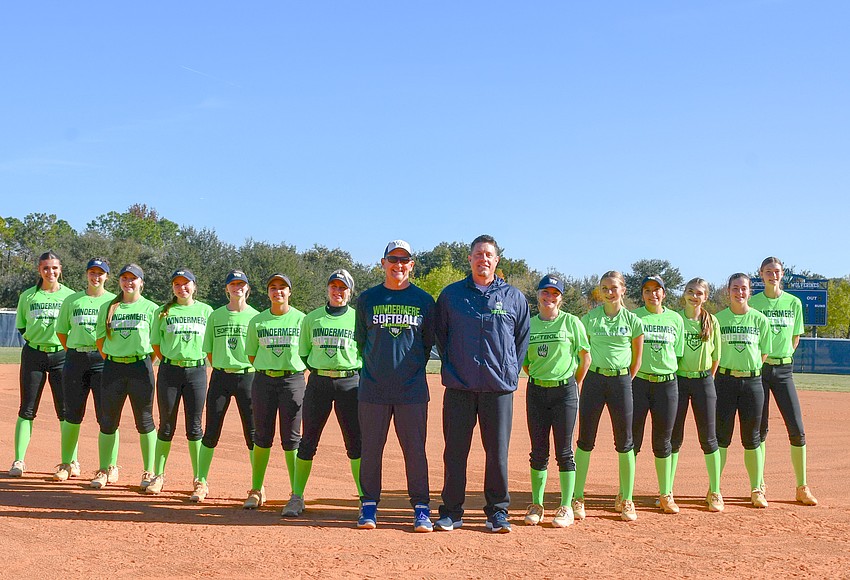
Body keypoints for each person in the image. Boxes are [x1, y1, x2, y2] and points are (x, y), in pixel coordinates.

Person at [434, 234, 530, 534]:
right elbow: (441, 336)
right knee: (454, 452)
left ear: (496, 260)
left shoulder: (513, 297)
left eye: (488, 254)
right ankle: (451, 511)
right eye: (478, 254)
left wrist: (508, 371)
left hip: (498, 388)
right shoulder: (451, 296)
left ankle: (497, 512)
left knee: (497, 453)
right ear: (470, 259)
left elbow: (520, 340)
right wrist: (454, 368)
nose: (483, 259)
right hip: (459, 388)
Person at [354, 241, 436, 532]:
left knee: (415, 450)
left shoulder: (425, 301)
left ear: (412, 265)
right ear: (383, 263)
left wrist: (409, 369)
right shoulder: (367, 299)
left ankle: (421, 507)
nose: (398, 265)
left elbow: (426, 344)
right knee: (372, 449)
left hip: (411, 390)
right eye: (393, 259)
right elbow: (362, 340)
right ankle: (369, 505)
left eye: (404, 260)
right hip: (373, 389)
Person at [284, 269, 362, 518]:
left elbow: (365, 351)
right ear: (327, 289)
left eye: (343, 288)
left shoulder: (357, 318)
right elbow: (304, 352)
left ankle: (364, 499)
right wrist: (320, 370)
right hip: (319, 382)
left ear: (350, 292)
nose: (338, 292)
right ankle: (297, 496)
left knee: (355, 443)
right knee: (308, 441)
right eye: (334, 287)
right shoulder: (312, 319)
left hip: (350, 383)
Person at [574, 271, 644, 522]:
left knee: (625, 441)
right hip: (594, 380)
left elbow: (637, 359)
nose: (609, 291)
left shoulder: (634, 321)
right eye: (604, 288)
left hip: (622, 381)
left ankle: (626, 498)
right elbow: (581, 352)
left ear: (623, 289)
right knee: (585, 439)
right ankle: (577, 496)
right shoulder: (590, 318)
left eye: (614, 287)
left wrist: (625, 379)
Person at [522, 275, 590, 528]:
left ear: (561, 298)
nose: (549, 298)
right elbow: (525, 363)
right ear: (538, 295)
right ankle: (537, 504)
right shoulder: (528, 325)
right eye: (545, 293)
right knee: (538, 451)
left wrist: (572, 383)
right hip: (537, 392)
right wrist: (542, 379)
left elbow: (585, 358)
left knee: (564, 451)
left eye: (554, 294)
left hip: (565, 393)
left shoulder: (571, 323)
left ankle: (565, 505)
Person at [749, 257, 817, 506]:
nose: (772, 275)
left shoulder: (794, 303)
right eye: (768, 272)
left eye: (776, 271)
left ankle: (802, 486)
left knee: (797, 429)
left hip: (784, 369)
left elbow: (795, 337)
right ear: (761, 274)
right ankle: (758, 485)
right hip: (760, 369)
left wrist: (784, 356)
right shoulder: (753, 303)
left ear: (782, 274)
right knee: (759, 429)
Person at [91, 264, 159, 490]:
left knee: (145, 421)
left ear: (141, 282)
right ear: (119, 281)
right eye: (124, 278)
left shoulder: (151, 308)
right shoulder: (108, 306)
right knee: (108, 421)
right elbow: (100, 340)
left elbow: (156, 344)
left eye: (133, 279)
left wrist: (142, 364)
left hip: (140, 368)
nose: (128, 282)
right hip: (113, 368)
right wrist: (115, 358)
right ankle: (105, 469)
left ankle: (149, 471)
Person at [146, 269, 213, 495]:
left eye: (186, 284)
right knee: (166, 424)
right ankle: (158, 475)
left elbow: (210, 345)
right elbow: (156, 343)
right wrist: (169, 360)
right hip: (170, 372)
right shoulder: (163, 312)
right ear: (172, 287)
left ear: (194, 286)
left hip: (196, 371)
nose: (182, 288)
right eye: (177, 284)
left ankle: (199, 479)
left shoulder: (206, 311)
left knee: (195, 427)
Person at [243, 273, 306, 509]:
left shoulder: (301, 319)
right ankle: (257, 489)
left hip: (292, 380)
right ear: (267, 292)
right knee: (261, 436)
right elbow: (251, 354)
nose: (278, 291)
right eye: (273, 287)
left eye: (283, 287)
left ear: (290, 292)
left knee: (291, 438)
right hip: (264, 380)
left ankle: (296, 493)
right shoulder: (257, 322)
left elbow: (307, 351)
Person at [10, 251, 75, 477]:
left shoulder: (71, 297)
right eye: (46, 268)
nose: (51, 272)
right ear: (39, 270)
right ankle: (19, 460)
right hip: (34, 355)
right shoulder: (28, 296)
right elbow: (21, 327)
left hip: (62, 356)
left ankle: (70, 461)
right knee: (27, 409)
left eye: (54, 268)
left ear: (60, 269)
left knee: (66, 411)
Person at [196, 270, 259, 502]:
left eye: (241, 284)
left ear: (247, 288)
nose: (237, 288)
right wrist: (224, 366)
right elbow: (210, 350)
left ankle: (257, 486)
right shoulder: (216, 315)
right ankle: (201, 481)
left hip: (248, 376)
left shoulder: (256, 317)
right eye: (233, 284)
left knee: (252, 433)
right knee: (211, 430)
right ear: (226, 289)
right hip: (221, 376)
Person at [54, 258, 116, 482]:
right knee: (71, 414)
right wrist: (75, 350)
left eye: (101, 273)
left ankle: (108, 466)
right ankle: (67, 463)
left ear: (107, 276)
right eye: (92, 272)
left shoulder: (114, 301)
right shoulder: (73, 300)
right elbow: (62, 331)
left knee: (107, 416)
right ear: (87, 274)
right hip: (76, 359)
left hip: (103, 360)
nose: (96, 277)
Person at [715, 273, 772, 508]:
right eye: (735, 288)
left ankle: (756, 488)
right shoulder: (717, 320)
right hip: (725, 382)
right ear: (728, 291)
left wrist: (748, 369)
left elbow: (764, 353)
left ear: (750, 292)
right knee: (721, 438)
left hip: (752, 383)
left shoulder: (760, 320)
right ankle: (714, 488)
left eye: (744, 289)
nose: (740, 292)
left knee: (753, 439)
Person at [631, 276, 684, 514]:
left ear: (664, 293)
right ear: (642, 294)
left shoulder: (675, 319)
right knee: (632, 441)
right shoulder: (635, 318)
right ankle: (626, 493)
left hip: (666, 385)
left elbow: (679, 354)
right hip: (639, 383)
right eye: (648, 290)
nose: (653, 294)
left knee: (663, 441)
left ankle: (665, 494)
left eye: (657, 290)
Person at [671, 278, 724, 512]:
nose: (694, 296)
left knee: (709, 438)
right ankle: (667, 490)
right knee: (674, 438)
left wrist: (705, 378)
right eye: (690, 291)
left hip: (703, 381)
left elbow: (716, 358)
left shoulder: (711, 321)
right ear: (684, 294)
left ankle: (715, 491)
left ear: (706, 297)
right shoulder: (675, 319)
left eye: (699, 293)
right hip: (678, 381)